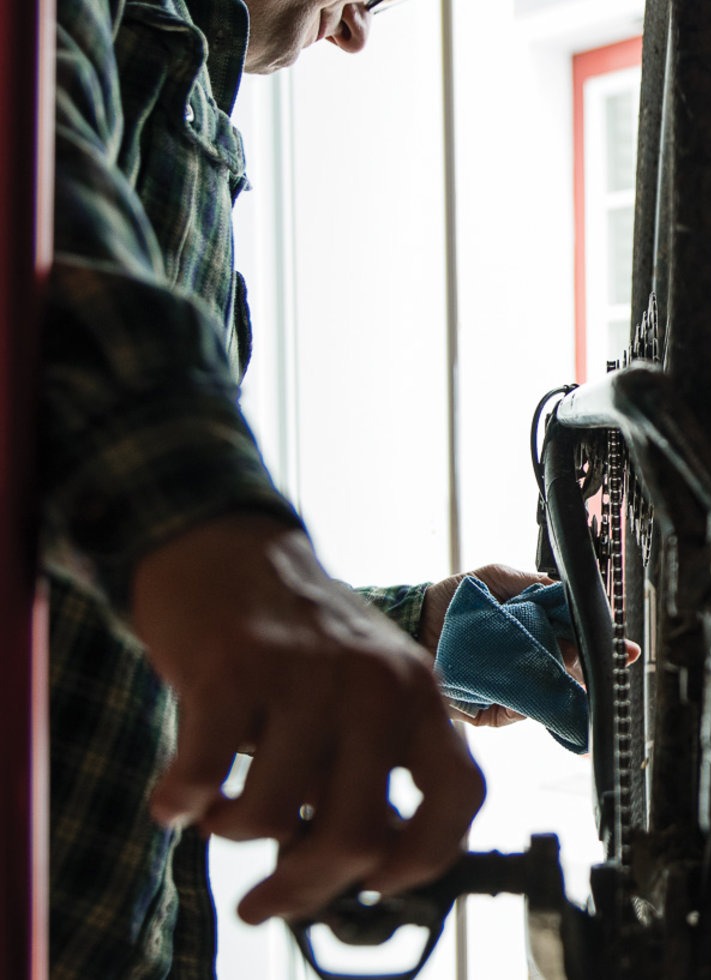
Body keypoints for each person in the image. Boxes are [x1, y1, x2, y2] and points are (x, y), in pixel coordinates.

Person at [45, 0, 552, 975]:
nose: (354, 33)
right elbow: (33, 191)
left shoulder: (192, 102)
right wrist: (227, 540)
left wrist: (418, 627)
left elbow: (128, 581)